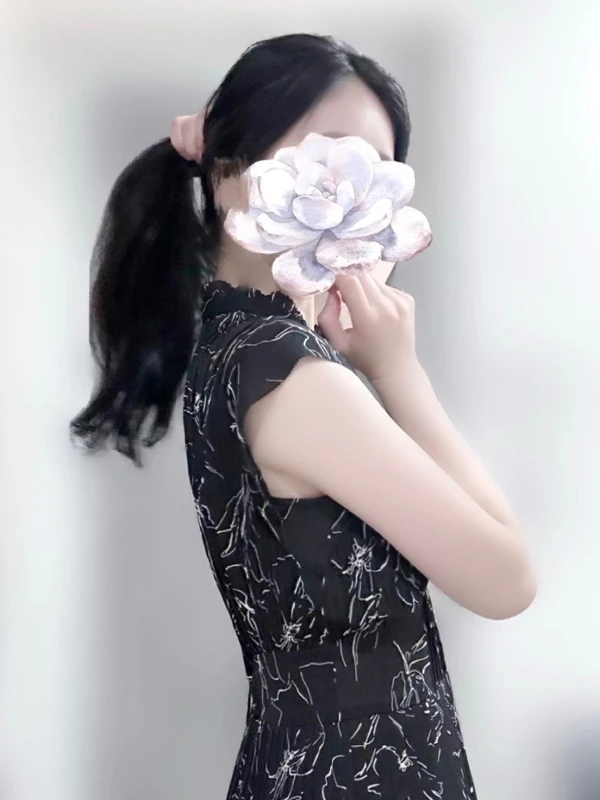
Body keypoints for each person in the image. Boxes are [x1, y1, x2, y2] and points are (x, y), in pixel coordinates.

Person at [72, 33, 537, 800]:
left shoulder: (237, 350)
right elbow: (506, 581)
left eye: (375, 170)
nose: (351, 194)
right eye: (327, 156)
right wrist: (400, 373)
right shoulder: (296, 379)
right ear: (229, 174)